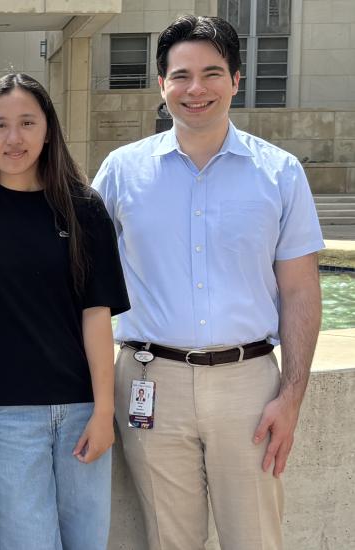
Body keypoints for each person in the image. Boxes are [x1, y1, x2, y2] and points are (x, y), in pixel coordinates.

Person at [92, 15, 324, 550]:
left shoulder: (280, 173)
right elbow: (83, 277)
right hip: (150, 383)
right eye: (181, 75)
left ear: (237, 80)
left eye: (212, 73)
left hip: (248, 385)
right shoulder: (122, 172)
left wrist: (291, 398)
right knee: (169, 540)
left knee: (257, 538)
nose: (196, 89)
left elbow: (300, 290)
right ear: (161, 84)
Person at [0, 73, 129, 550]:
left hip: (82, 410)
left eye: (26, 123)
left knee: (86, 543)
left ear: (47, 130)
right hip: (6, 416)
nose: (13, 138)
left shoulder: (83, 207)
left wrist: (104, 411)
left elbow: (97, 315)